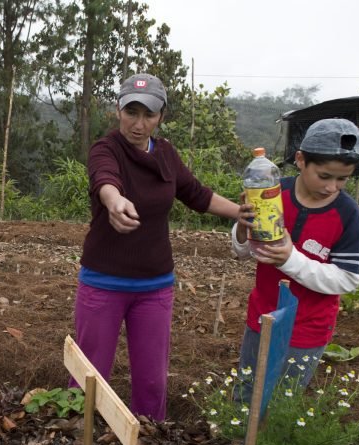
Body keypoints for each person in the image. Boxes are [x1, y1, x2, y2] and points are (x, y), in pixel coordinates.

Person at [71, 73, 245, 422]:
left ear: (161, 116)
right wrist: (114, 200)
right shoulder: (106, 149)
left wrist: (242, 213)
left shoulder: (165, 154)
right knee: (88, 377)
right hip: (103, 283)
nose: (139, 124)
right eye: (131, 112)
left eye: (148, 114)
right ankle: (80, 439)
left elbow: (197, 194)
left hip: (155, 286)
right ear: (118, 109)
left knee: (152, 382)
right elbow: (105, 179)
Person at [232, 118, 359, 401]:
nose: (332, 187)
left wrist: (290, 259)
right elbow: (244, 252)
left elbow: (347, 278)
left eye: (342, 179)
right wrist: (242, 230)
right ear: (301, 160)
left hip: (309, 327)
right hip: (263, 315)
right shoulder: (271, 193)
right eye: (325, 176)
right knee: (247, 392)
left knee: (283, 399)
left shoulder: (346, 213)